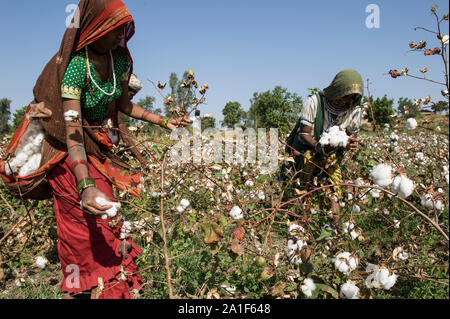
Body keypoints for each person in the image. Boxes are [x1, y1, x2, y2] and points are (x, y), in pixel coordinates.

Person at [29, 0, 191, 299]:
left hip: (97, 149)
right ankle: (84, 289)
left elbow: (125, 105)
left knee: (109, 222)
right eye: (114, 29)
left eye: (123, 29)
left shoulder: (118, 60)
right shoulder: (76, 68)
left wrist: (163, 120)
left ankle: (115, 287)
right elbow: (73, 131)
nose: (121, 35)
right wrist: (85, 185)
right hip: (69, 157)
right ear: (95, 27)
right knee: (83, 231)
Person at [285, 69, 363, 227]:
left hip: (332, 155)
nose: (348, 100)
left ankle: (336, 229)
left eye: (352, 97)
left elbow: (351, 135)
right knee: (304, 185)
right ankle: (300, 225)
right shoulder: (314, 102)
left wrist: (351, 143)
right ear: (337, 90)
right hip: (309, 148)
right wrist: (319, 147)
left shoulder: (354, 111)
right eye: (345, 95)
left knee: (334, 187)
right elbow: (303, 134)